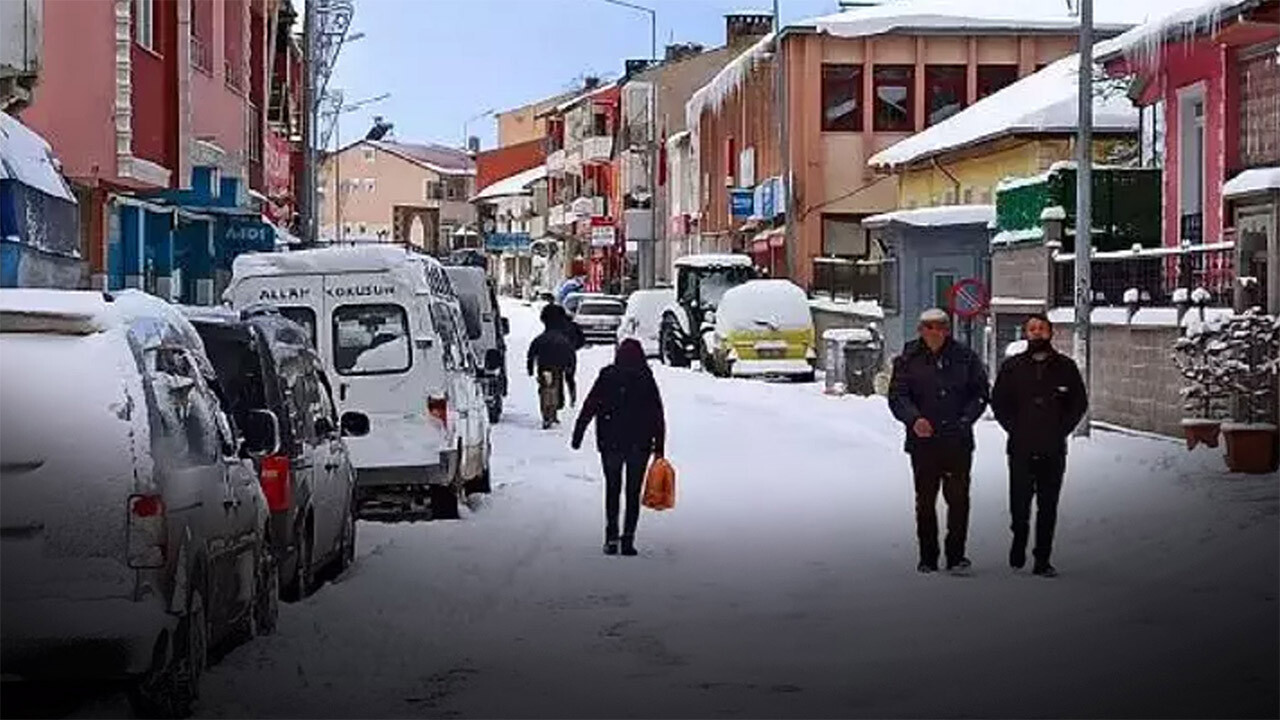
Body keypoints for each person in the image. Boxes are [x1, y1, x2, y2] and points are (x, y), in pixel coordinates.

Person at [888, 308, 990, 574]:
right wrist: (914, 419)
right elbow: (898, 396)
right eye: (928, 327)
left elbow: (980, 393)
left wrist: (966, 419)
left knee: (958, 500)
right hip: (924, 442)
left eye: (940, 327)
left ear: (947, 330)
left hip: (957, 440)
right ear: (921, 330)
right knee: (925, 500)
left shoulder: (965, 358)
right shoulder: (908, 359)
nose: (935, 332)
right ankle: (928, 557)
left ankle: (956, 556)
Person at [991, 313, 1088, 578]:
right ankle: (1019, 539)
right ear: (1026, 333)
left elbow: (1078, 403)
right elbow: (998, 402)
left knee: (1048, 505)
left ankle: (1042, 558)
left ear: (1050, 333)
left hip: (1052, 448)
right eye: (1032, 329)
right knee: (1019, 503)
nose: (1036, 333)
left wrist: (1060, 430)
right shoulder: (1012, 367)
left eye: (1041, 328)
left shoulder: (1065, 367)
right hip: (1020, 446)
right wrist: (1015, 427)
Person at [571, 339, 666, 557]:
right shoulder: (645, 378)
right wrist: (659, 447)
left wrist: (579, 432)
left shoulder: (608, 376)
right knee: (633, 493)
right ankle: (628, 540)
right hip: (639, 445)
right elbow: (657, 414)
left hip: (610, 443)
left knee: (612, 489)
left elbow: (590, 404)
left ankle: (611, 537)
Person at [527, 305, 577, 429]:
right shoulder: (564, 340)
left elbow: (531, 353)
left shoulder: (540, 338)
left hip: (544, 364)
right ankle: (554, 413)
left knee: (544, 388)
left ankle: (546, 414)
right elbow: (571, 355)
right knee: (557, 386)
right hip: (559, 365)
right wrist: (570, 370)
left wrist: (530, 367)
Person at [542, 303, 584, 406]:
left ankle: (559, 401)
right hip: (569, 354)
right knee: (569, 377)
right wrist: (574, 347)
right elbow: (582, 340)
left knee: (557, 377)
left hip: (553, 355)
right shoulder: (572, 325)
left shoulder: (551, 327)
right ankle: (572, 396)